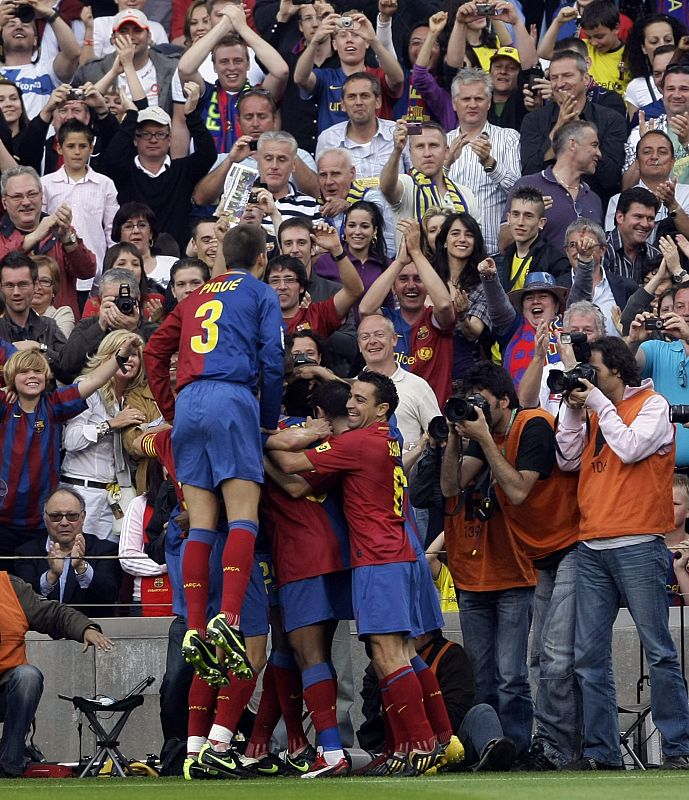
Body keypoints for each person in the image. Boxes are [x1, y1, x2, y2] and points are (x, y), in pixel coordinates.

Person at [270, 372, 448, 777]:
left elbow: (292, 465)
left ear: (382, 409)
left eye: (361, 400)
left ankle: (420, 746)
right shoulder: (390, 436)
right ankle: (436, 741)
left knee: (388, 655)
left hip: (379, 559)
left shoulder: (357, 443)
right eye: (350, 397)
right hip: (401, 552)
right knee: (402, 652)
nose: (351, 404)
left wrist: (255, 438)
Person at [144, 224, 284, 686]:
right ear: (262, 258)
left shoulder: (194, 298)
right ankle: (228, 616)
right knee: (243, 516)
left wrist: (172, 409)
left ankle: (196, 627)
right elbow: (272, 361)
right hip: (231, 398)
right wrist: (265, 420)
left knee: (201, 523)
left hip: (189, 403)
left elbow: (153, 351)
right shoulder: (260, 293)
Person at [555, 336, 689, 770]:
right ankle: (602, 752)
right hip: (591, 543)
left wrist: (595, 402)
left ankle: (678, 747)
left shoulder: (653, 404)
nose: (588, 377)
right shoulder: (596, 410)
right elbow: (567, 459)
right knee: (588, 656)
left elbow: (631, 447)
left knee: (659, 651)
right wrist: (573, 410)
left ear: (616, 367)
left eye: (593, 368)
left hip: (638, 542)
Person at [0, 333, 141, 564]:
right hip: (3, 516)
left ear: (46, 376)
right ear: (11, 378)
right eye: (23, 372)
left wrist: (121, 356)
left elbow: (94, 380)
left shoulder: (54, 404)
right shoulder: (4, 405)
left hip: (40, 520)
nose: (32, 376)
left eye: (37, 371)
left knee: (33, 579)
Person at [0, 568, 112, 777]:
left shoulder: (10, 587)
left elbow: (53, 614)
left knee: (28, 677)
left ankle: (9, 767)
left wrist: (85, 629)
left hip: (5, 690)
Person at [99, 86, 217, 254]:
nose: (153, 140)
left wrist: (191, 115)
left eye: (160, 134)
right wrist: (131, 116)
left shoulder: (183, 170)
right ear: (135, 140)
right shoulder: (123, 171)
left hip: (177, 259)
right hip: (133, 257)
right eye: (146, 134)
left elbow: (208, 154)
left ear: (169, 139)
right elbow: (110, 157)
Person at [60, 331, 150, 542]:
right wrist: (111, 424)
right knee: (77, 556)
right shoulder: (88, 387)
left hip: (115, 497)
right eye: (123, 353)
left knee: (108, 558)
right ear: (106, 357)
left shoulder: (135, 397)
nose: (129, 359)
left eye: (135, 354)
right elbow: (71, 440)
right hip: (80, 492)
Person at [359, 218, 456, 405]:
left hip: (433, 415)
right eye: (403, 279)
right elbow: (365, 309)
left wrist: (417, 253)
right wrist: (400, 261)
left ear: (427, 285)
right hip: (391, 414)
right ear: (393, 287)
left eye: (418, 279)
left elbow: (445, 305)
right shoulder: (386, 320)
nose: (411, 286)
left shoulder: (436, 320)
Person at [518, 51, 626, 207]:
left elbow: (611, 178)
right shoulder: (534, 120)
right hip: (546, 208)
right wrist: (559, 127)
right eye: (554, 78)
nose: (560, 83)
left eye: (567, 76)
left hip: (593, 207)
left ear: (586, 79)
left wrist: (580, 129)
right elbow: (529, 172)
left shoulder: (610, 120)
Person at [177, 4, 288, 153]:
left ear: (248, 64)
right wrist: (224, 25)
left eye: (238, 61)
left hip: (251, 165)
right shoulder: (205, 94)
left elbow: (281, 71)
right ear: (214, 67)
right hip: (211, 167)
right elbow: (184, 69)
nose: (231, 67)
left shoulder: (260, 96)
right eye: (224, 62)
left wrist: (242, 27)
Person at [0, 166, 97, 319]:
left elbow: (87, 271)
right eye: (17, 196)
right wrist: (36, 235)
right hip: (9, 326)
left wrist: (68, 239)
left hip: (59, 324)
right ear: (4, 202)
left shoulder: (59, 229)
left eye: (32, 194)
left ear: (42, 196)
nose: (26, 202)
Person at [445, 68, 521, 253]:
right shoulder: (443, 142)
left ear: (489, 103)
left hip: (493, 251)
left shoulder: (508, 138)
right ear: (454, 103)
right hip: (449, 251)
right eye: (466, 99)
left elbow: (518, 193)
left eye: (479, 99)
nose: (472, 104)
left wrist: (491, 164)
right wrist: (446, 164)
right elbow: (429, 194)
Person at [13, 487, 121, 618]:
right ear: (45, 518)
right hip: (42, 629)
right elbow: (22, 601)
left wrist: (82, 568)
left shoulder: (105, 549)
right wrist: (51, 576)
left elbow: (110, 595)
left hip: (91, 627)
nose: (64, 522)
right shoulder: (26, 552)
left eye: (72, 516)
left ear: (83, 517)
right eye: (55, 516)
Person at [501, 120, 604, 253]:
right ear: (573, 144)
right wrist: (530, 215)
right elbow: (503, 245)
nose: (599, 154)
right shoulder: (527, 185)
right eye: (594, 145)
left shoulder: (594, 199)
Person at [40, 118, 119, 290]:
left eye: (83, 146)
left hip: (96, 272)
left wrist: (112, 269)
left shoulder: (105, 184)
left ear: (91, 148)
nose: (77, 152)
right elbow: (42, 230)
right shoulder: (45, 184)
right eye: (70, 146)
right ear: (59, 148)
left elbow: (112, 231)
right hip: (57, 272)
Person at [294, 10, 404, 133]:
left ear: (366, 43)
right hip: (333, 145)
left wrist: (374, 40)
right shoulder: (325, 77)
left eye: (356, 34)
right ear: (334, 44)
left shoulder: (379, 76)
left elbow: (398, 79)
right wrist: (314, 41)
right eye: (343, 35)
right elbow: (300, 79)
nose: (349, 40)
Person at [380, 120, 480, 250]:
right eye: (420, 146)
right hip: (413, 263)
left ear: (446, 151)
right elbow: (386, 187)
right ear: (410, 153)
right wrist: (397, 150)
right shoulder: (406, 184)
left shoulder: (465, 194)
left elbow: (475, 240)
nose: (427, 153)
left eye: (433, 145)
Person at [357, 313, 441, 454]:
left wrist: (413, 448)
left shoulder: (418, 386)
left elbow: (438, 437)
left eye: (379, 335)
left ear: (394, 340)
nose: (372, 341)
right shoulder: (350, 388)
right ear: (359, 345)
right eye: (365, 337)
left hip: (409, 467)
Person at [73, 8, 180, 115]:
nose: (130, 37)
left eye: (137, 30)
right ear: (113, 38)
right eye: (123, 31)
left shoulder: (172, 67)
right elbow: (80, 106)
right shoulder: (92, 70)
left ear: (149, 37)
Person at [625, 301, 689, 470]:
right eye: (680, 306)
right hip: (663, 473)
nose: (686, 312)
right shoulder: (656, 348)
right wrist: (633, 342)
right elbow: (624, 368)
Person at [431, 212, 490, 380]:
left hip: (464, 371)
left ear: (475, 243)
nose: (462, 239)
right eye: (455, 233)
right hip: (426, 359)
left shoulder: (482, 284)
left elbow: (473, 333)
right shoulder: (429, 277)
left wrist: (462, 315)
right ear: (444, 241)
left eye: (469, 235)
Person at [556, 219, 638, 335]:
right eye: (574, 245)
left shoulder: (626, 287)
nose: (581, 250)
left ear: (603, 250)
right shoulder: (556, 288)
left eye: (588, 244)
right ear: (567, 251)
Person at [0, 1, 80, 118]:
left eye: (26, 25)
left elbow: (73, 54)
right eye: (11, 25)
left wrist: (50, 14)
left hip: (42, 130)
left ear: (35, 40)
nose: (19, 27)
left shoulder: (47, 71)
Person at [313, 200, 389, 323]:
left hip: (372, 331)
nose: (357, 232)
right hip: (336, 331)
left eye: (364, 226)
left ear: (374, 230)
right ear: (344, 228)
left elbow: (390, 308)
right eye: (352, 225)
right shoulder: (325, 262)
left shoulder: (385, 265)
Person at [606, 131, 689, 240]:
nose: (654, 157)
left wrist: (673, 205)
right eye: (647, 152)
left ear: (673, 162)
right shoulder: (617, 200)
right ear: (637, 163)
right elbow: (613, 242)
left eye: (662, 152)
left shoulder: (687, 194)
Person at [0, 251, 66, 377]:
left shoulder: (49, 326)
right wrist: (8, 352)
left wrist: (40, 348)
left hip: (46, 390)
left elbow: (69, 370)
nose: (16, 292)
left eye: (23, 284)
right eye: (9, 285)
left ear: (35, 285)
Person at [623, 64, 689, 186]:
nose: (676, 95)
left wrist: (687, 143)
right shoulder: (642, 131)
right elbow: (627, 188)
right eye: (670, 89)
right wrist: (645, 145)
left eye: (684, 89)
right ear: (662, 93)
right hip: (651, 198)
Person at [500, 187, 570, 292]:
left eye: (528, 216)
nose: (520, 222)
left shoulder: (556, 262)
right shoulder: (505, 256)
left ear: (541, 222)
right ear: (508, 218)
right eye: (516, 214)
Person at [601, 186, 661, 284]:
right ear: (620, 217)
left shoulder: (654, 255)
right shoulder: (600, 251)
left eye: (650, 219)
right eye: (638, 217)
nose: (645, 224)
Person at [30, 255, 76, 339]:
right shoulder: (10, 314)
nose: (38, 287)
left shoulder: (63, 314)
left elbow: (57, 344)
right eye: (32, 280)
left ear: (54, 288)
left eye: (45, 281)